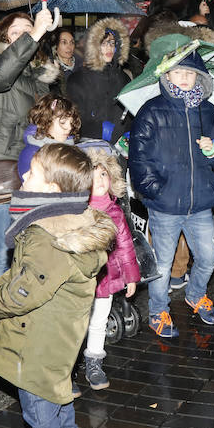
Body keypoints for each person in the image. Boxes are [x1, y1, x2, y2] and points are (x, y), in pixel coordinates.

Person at [0, 143, 115, 428]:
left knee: (40, 417)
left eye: (34, 171)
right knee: (57, 395)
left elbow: (25, 291)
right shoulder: (70, 223)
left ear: (53, 189)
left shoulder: (49, 237)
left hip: (38, 346)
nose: (25, 173)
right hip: (58, 341)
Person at [129, 48, 214, 338]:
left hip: (200, 203)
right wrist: (155, 192)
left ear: (199, 76)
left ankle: (196, 294)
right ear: (167, 75)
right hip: (165, 205)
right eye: (178, 72)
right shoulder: (151, 111)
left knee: (209, 257)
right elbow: (138, 158)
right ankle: (158, 311)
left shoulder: (208, 111)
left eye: (190, 72)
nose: (185, 78)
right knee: (162, 264)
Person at [0, 9, 58, 299]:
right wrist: (34, 33)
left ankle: (16, 315)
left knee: (25, 249)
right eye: (17, 31)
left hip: (31, 173)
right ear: (3, 36)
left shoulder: (38, 75)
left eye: (29, 29)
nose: (25, 35)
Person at [79, 147, 140, 391]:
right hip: (80, 280)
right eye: (94, 177)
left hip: (106, 279)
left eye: (104, 175)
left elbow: (126, 246)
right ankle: (68, 363)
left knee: (99, 320)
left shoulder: (115, 212)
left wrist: (131, 277)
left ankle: (94, 359)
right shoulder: (77, 211)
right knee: (77, 322)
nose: (100, 181)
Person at [66, 17, 130, 143]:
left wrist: (128, 131)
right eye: (104, 43)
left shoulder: (124, 78)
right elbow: (74, 118)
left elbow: (128, 112)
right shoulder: (78, 79)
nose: (109, 48)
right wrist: (99, 130)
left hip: (119, 147)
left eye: (112, 43)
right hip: (89, 145)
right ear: (94, 46)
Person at [17, 93, 81, 178]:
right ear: (46, 121)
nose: (69, 128)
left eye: (71, 123)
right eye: (63, 122)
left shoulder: (73, 150)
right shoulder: (31, 154)